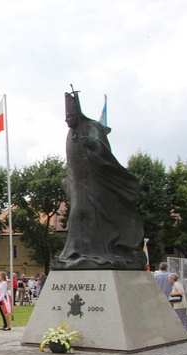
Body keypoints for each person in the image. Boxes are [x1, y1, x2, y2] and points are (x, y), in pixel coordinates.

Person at [53, 89, 146, 270]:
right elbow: (71, 163)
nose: (68, 121)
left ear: (78, 115)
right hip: (78, 184)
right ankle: (75, 252)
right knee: (77, 214)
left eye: (71, 116)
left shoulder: (93, 127)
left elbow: (105, 151)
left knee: (94, 214)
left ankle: (102, 252)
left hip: (98, 181)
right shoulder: (69, 134)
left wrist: (93, 145)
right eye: (66, 118)